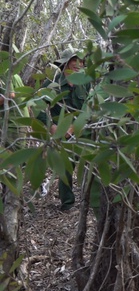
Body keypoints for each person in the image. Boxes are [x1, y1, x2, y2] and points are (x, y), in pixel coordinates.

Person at [36, 48, 88, 211]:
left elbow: (89, 106)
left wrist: (76, 125)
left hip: (82, 131)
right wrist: (52, 126)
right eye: (74, 60)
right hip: (61, 135)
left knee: (89, 165)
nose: (77, 64)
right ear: (65, 63)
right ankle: (67, 204)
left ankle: (89, 202)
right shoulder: (52, 84)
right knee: (65, 168)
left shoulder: (85, 81)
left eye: (79, 61)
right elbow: (37, 109)